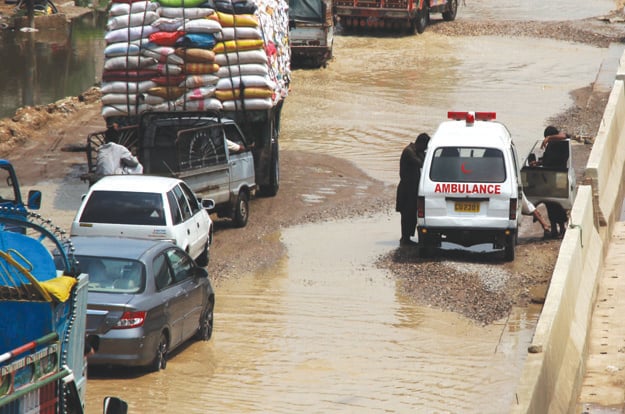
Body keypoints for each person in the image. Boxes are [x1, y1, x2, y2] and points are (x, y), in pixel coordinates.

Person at [396, 133, 430, 246]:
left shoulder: (416, 151)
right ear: (420, 143)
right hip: (406, 189)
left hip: (413, 188)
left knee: (412, 214)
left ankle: (407, 238)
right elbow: (422, 164)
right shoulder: (409, 152)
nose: (426, 149)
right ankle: (405, 238)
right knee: (406, 214)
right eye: (425, 146)